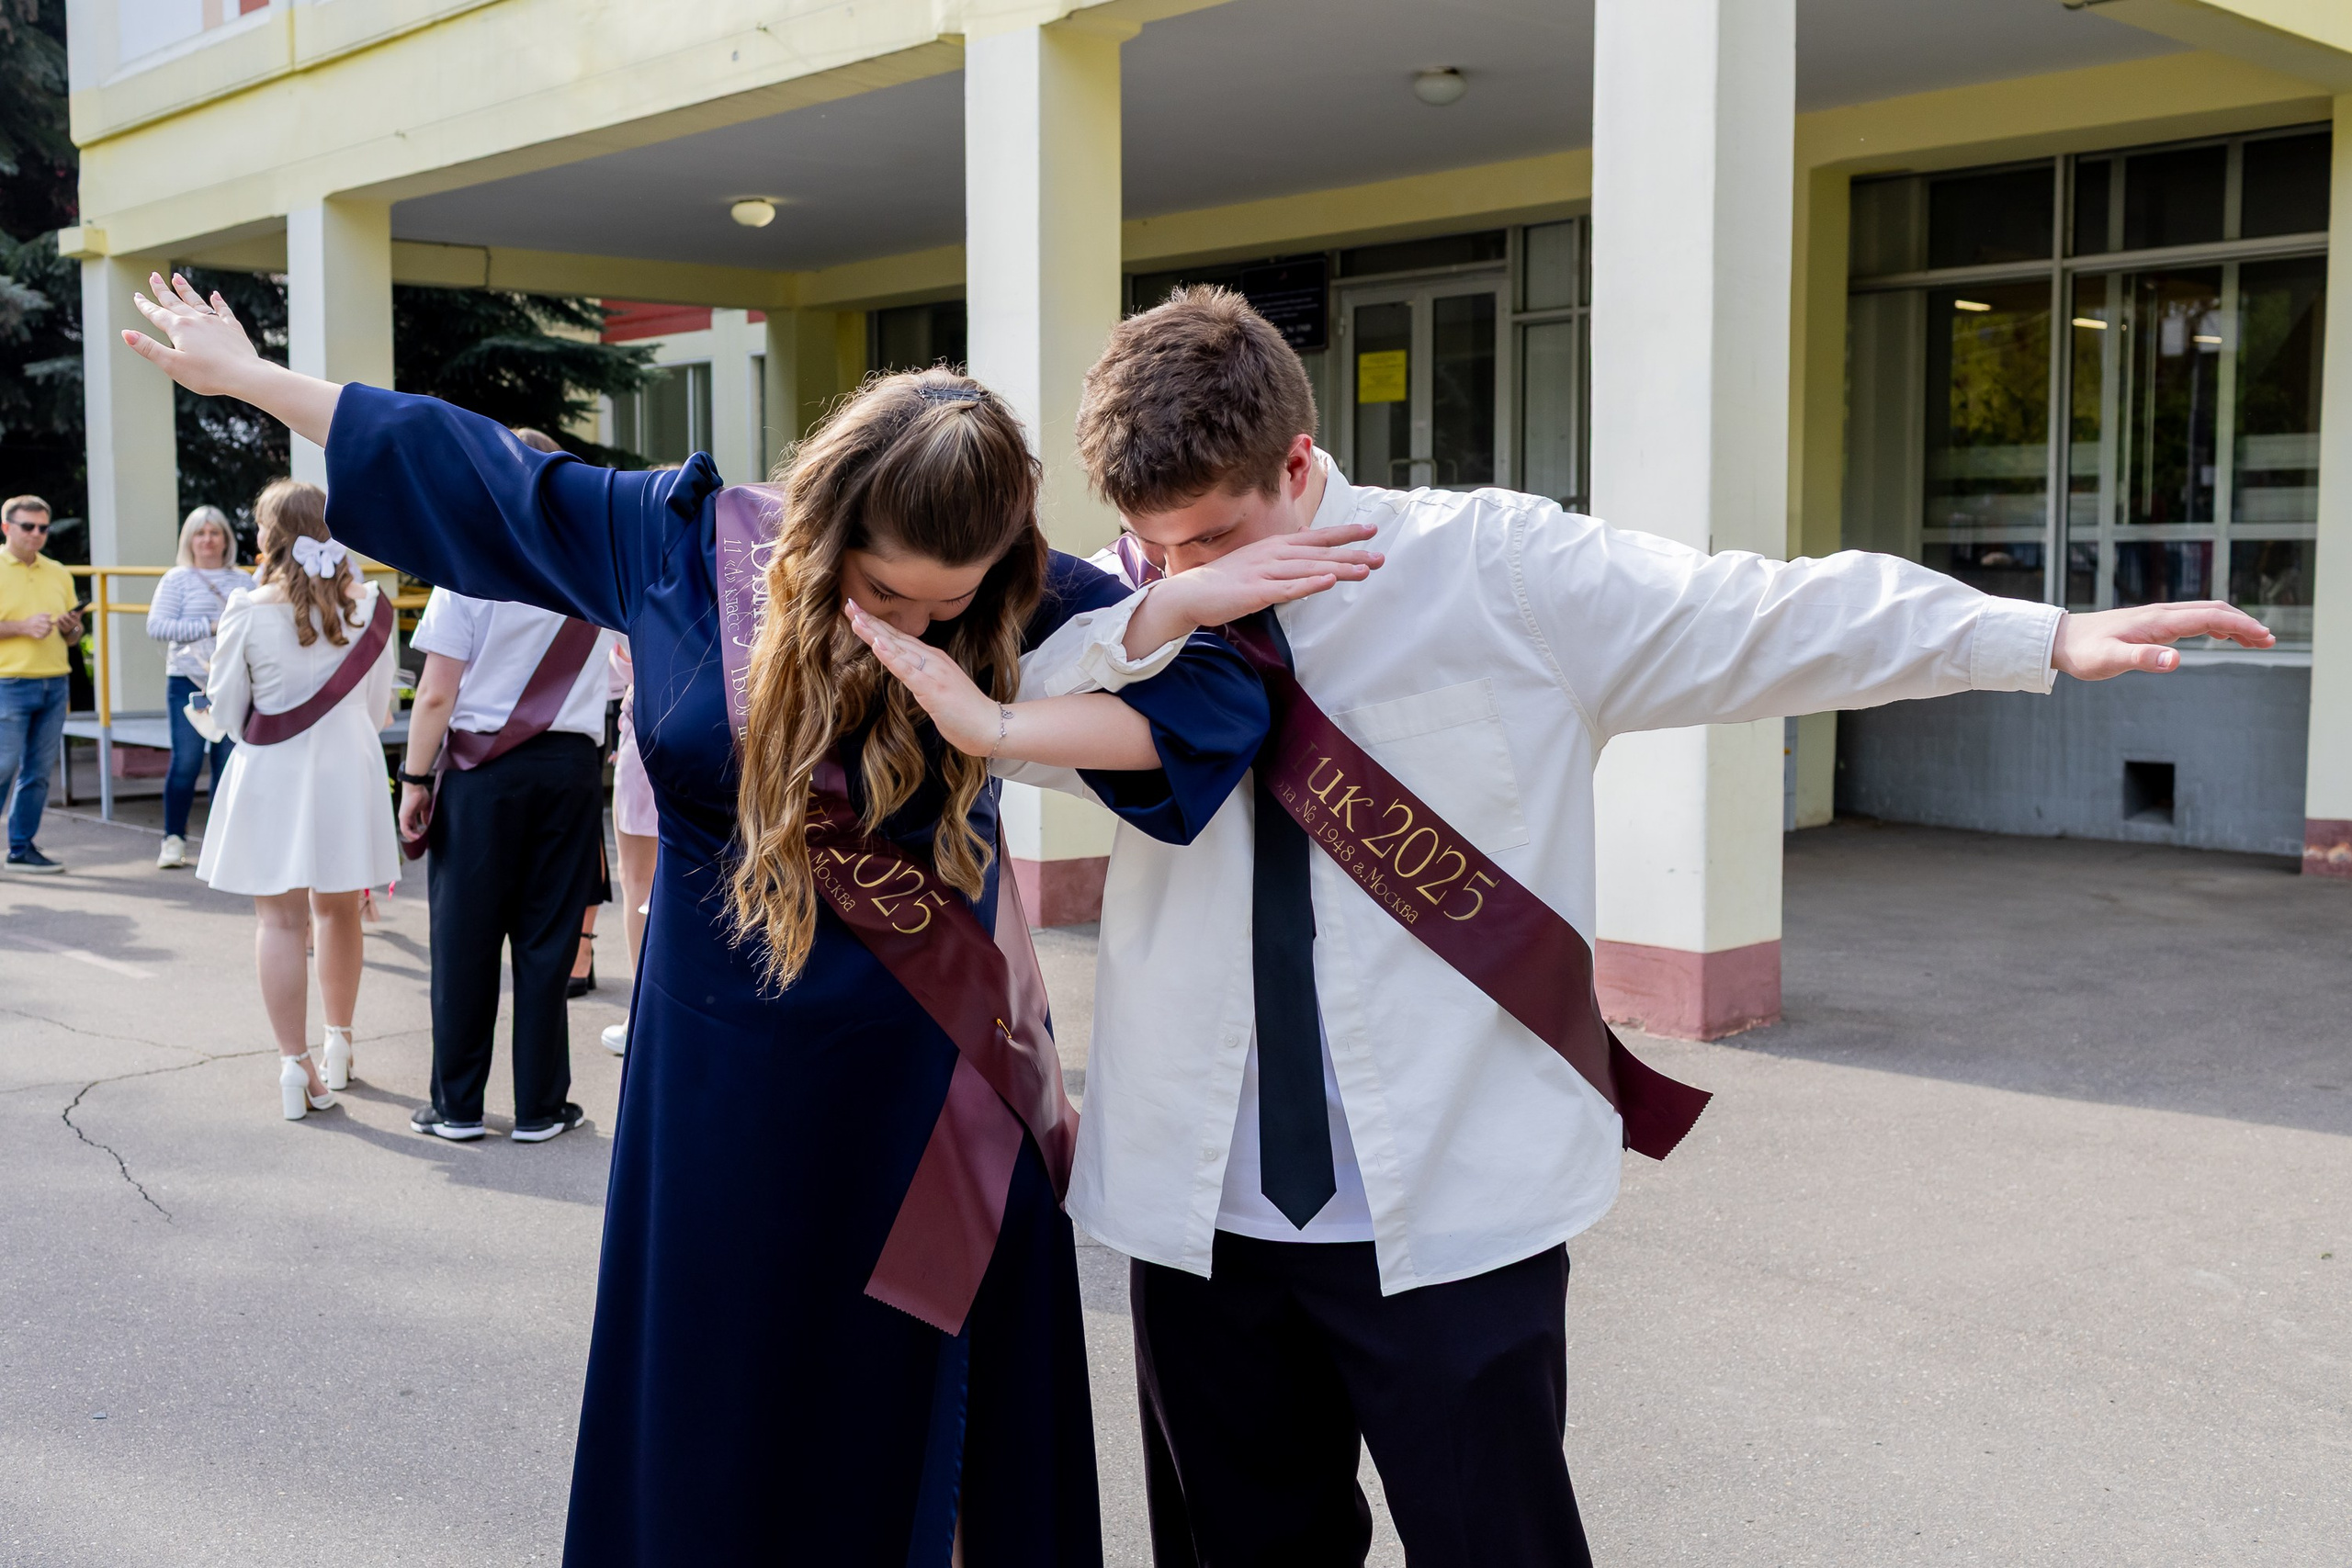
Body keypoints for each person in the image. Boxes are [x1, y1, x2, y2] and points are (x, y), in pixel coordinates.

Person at [993, 287, 2278, 1568]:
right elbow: (1002, 731)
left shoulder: (1491, 570)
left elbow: (1764, 613)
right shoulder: (1118, 617)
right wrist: (1150, 613)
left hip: (1450, 1197)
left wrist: (2041, 632)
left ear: (1297, 460)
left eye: (1213, 537)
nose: (1183, 570)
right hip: (1200, 1207)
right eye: (1148, 545)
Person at [119, 269, 1367, 1564]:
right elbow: (480, 470)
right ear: (821, 531)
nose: (918, 625)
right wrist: (252, 378)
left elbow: (1216, 710)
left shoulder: (1020, 586)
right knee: (724, 1425)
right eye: (885, 594)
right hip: (718, 1085)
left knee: (927, 1428)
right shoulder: (680, 541)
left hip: (929, 1081)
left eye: (951, 605)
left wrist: (1135, 621)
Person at [395, 453, 618, 1145]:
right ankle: (541, 1107)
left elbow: (435, 693)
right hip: (569, 770)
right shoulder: (593, 571)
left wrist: (415, 779)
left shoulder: (471, 567)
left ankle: (456, 1105)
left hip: (481, 771)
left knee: (465, 937)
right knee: (548, 940)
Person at [196, 479, 401, 1120]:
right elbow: (378, 709)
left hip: (273, 773)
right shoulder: (374, 605)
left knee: (279, 921)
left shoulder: (246, 607)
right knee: (340, 912)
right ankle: (338, 1042)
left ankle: (295, 1064)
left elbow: (228, 711)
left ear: (271, 536)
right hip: (348, 769)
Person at [146, 503, 254, 869]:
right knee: (186, 762)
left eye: (215, 532)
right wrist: (212, 626)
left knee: (227, 763)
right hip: (187, 683)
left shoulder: (243, 580)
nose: (208, 539)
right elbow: (158, 627)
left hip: (231, 683)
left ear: (226, 539)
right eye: (200, 532)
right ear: (188, 540)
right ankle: (173, 839)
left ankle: (221, 842)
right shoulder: (176, 579)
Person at [0, 494, 83, 874]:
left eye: (43, 528)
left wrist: (72, 628)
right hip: (8, 683)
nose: (37, 534)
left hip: (54, 682)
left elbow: (71, 638)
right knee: (3, 767)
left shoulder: (58, 572)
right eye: (28, 526)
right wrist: (20, 627)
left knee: (37, 772)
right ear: (6, 528)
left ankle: (21, 848)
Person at [599, 637, 657, 1055]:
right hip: (732, 731)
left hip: (650, 729)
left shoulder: (646, 578)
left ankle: (644, 1012)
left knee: (638, 881)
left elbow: (613, 671)